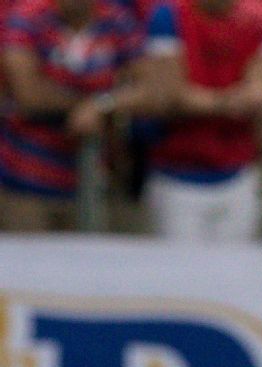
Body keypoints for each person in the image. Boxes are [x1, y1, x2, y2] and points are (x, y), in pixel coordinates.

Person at [0, 0, 152, 231]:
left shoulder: (117, 21)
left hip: (95, 180)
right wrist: (88, 105)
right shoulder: (27, 18)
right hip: (26, 178)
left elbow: (152, 88)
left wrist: (102, 105)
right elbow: (28, 94)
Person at [140, 0, 262, 243]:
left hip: (238, 174)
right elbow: (169, 95)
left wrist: (248, 95)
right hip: (178, 175)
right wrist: (226, 103)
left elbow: (259, 84)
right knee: (179, 273)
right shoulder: (168, 15)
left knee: (237, 272)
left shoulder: (258, 18)